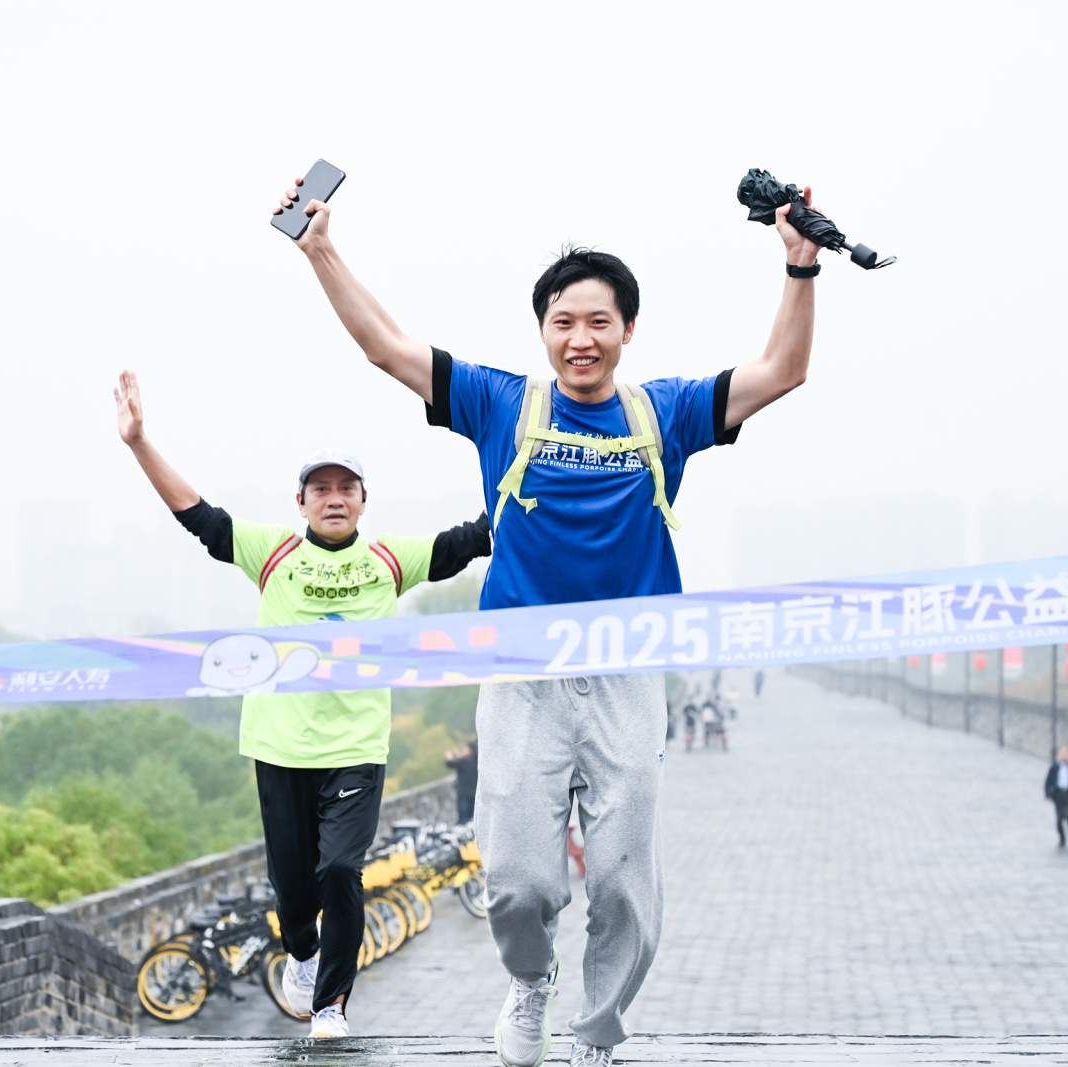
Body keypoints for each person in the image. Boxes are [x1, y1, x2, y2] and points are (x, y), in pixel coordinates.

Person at [274, 171, 820, 1067]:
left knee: (622, 883)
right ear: (544, 332)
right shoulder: (502, 403)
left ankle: (598, 1029)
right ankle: (530, 983)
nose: (581, 338)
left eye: (599, 321)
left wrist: (800, 267)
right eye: (563, 322)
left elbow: (783, 372)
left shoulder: (666, 411)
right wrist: (323, 248)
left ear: (627, 331)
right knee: (520, 883)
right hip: (520, 675)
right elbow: (385, 346)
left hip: (628, 672)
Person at [114, 370, 491, 1040]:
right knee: (294, 893)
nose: (335, 498)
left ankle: (331, 1004)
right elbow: (197, 514)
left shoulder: (387, 560)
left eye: (347, 487)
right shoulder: (275, 553)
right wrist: (141, 442)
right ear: (302, 500)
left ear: (364, 500)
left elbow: (472, 539)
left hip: (356, 748)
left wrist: (547, 489)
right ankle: (302, 951)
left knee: (342, 868)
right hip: (279, 746)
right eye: (323, 487)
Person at [446, 739, 480, 824]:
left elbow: (450, 764)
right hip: (475, 793)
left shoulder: (465, 761)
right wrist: (459, 755)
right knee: (473, 819)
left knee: (463, 820)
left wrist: (449, 756)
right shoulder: (477, 760)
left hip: (464, 794)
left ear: (469, 749)